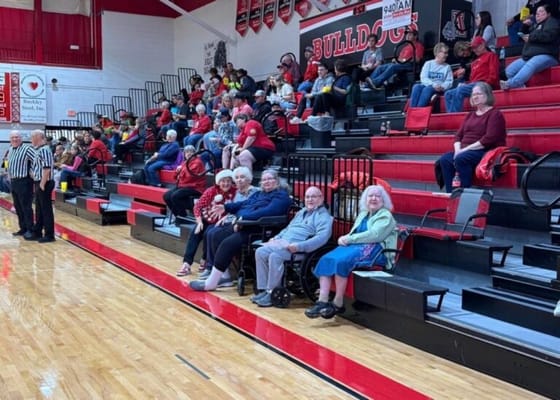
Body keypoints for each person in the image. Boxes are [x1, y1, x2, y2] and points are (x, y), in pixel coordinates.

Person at [189, 169, 292, 291]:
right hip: (246, 224)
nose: (267, 182)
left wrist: (244, 217)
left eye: (270, 179)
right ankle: (224, 276)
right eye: (264, 179)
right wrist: (225, 207)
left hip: (262, 229)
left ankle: (211, 283)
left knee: (227, 243)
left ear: (277, 181)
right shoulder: (259, 194)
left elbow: (268, 212)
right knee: (216, 234)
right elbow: (243, 205)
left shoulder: (281, 196)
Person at [304, 185, 398, 319]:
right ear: (365, 199)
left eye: (377, 196)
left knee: (341, 261)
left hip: (376, 249)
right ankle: (322, 301)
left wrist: (349, 238)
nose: (373, 198)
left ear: (384, 200)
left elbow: (375, 235)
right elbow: (355, 232)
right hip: (356, 245)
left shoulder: (385, 216)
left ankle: (338, 302)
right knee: (326, 259)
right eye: (370, 196)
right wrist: (345, 238)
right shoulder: (363, 214)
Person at [252, 186, 333, 307]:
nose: (310, 200)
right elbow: (288, 228)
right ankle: (263, 289)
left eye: (313, 197)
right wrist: (277, 237)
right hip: (283, 243)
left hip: (298, 250)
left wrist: (299, 246)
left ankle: (272, 292)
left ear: (321, 198)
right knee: (260, 251)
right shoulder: (301, 212)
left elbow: (321, 239)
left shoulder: (324, 217)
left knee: (275, 256)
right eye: (307, 197)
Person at [437, 82, 506, 193]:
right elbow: (458, 136)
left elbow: (489, 138)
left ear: (487, 95)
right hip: (466, 150)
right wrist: (457, 150)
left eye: (478, 94)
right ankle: (451, 194)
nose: (475, 97)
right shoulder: (470, 115)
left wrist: (464, 150)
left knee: (461, 158)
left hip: (485, 150)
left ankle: (464, 192)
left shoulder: (495, 114)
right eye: (473, 94)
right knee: (445, 159)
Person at [197, 166, 260, 276]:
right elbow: (233, 208)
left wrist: (232, 216)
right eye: (237, 177)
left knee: (215, 234)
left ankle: (220, 272)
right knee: (210, 232)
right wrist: (225, 216)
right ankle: (210, 267)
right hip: (232, 220)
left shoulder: (255, 192)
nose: (239, 180)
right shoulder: (237, 192)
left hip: (244, 224)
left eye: (242, 177)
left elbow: (249, 209)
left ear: (249, 179)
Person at [176, 169, 237, 277]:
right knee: (195, 233)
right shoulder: (211, 191)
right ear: (219, 182)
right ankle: (186, 263)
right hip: (205, 219)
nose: (226, 183)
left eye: (228, 181)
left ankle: (205, 260)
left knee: (208, 233)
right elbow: (198, 207)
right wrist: (199, 222)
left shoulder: (235, 192)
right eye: (223, 181)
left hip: (220, 223)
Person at [500, 4, 560, 91]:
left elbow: (549, 36)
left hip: (548, 55)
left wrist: (531, 37)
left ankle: (510, 84)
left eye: (541, 12)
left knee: (531, 64)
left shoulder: (552, 22)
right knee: (510, 71)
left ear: (548, 14)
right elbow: (520, 37)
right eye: (536, 13)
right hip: (530, 55)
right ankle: (520, 86)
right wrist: (525, 26)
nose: (537, 14)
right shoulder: (535, 25)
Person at [444, 37, 499, 113]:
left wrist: (486, 84)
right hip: (474, 84)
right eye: (473, 48)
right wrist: (466, 84)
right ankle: (451, 117)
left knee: (461, 89)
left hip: (484, 83)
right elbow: (472, 79)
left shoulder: (491, 55)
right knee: (448, 94)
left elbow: (494, 75)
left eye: (476, 47)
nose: (475, 50)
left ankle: (456, 115)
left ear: (482, 45)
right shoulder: (475, 61)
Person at [163, 145, 207, 223]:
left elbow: (189, 177)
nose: (188, 153)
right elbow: (175, 177)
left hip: (196, 187)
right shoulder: (185, 162)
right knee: (166, 196)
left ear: (194, 153)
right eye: (187, 152)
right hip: (184, 185)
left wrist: (180, 171)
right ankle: (178, 216)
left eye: (191, 151)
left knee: (175, 196)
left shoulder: (198, 162)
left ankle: (183, 217)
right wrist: (177, 171)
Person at [7, 130, 36, 239]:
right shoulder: (10, 149)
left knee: (26, 207)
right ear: (10, 139)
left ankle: (30, 229)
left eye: (17, 137)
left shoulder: (27, 149)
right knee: (18, 207)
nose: (15, 139)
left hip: (24, 181)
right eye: (13, 137)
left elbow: (37, 160)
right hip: (14, 182)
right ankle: (23, 228)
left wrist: (32, 172)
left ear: (21, 138)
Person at [29, 130, 55, 243]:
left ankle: (49, 235)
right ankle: (38, 231)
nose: (31, 139)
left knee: (46, 209)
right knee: (39, 209)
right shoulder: (38, 150)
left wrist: (42, 183)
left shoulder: (44, 150)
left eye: (32, 137)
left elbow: (47, 168)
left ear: (38, 137)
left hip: (45, 182)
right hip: (39, 181)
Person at [409, 42, 453, 107]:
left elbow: (449, 82)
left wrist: (442, 87)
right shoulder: (428, 64)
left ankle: (418, 111)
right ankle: (412, 110)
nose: (447, 55)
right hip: (428, 85)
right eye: (445, 53)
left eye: (447, 53)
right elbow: (423, 78)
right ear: (438, 53)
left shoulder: (447, 67)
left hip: (439, 89)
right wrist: (433, 85)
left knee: (428, 89)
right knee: (416, 87)